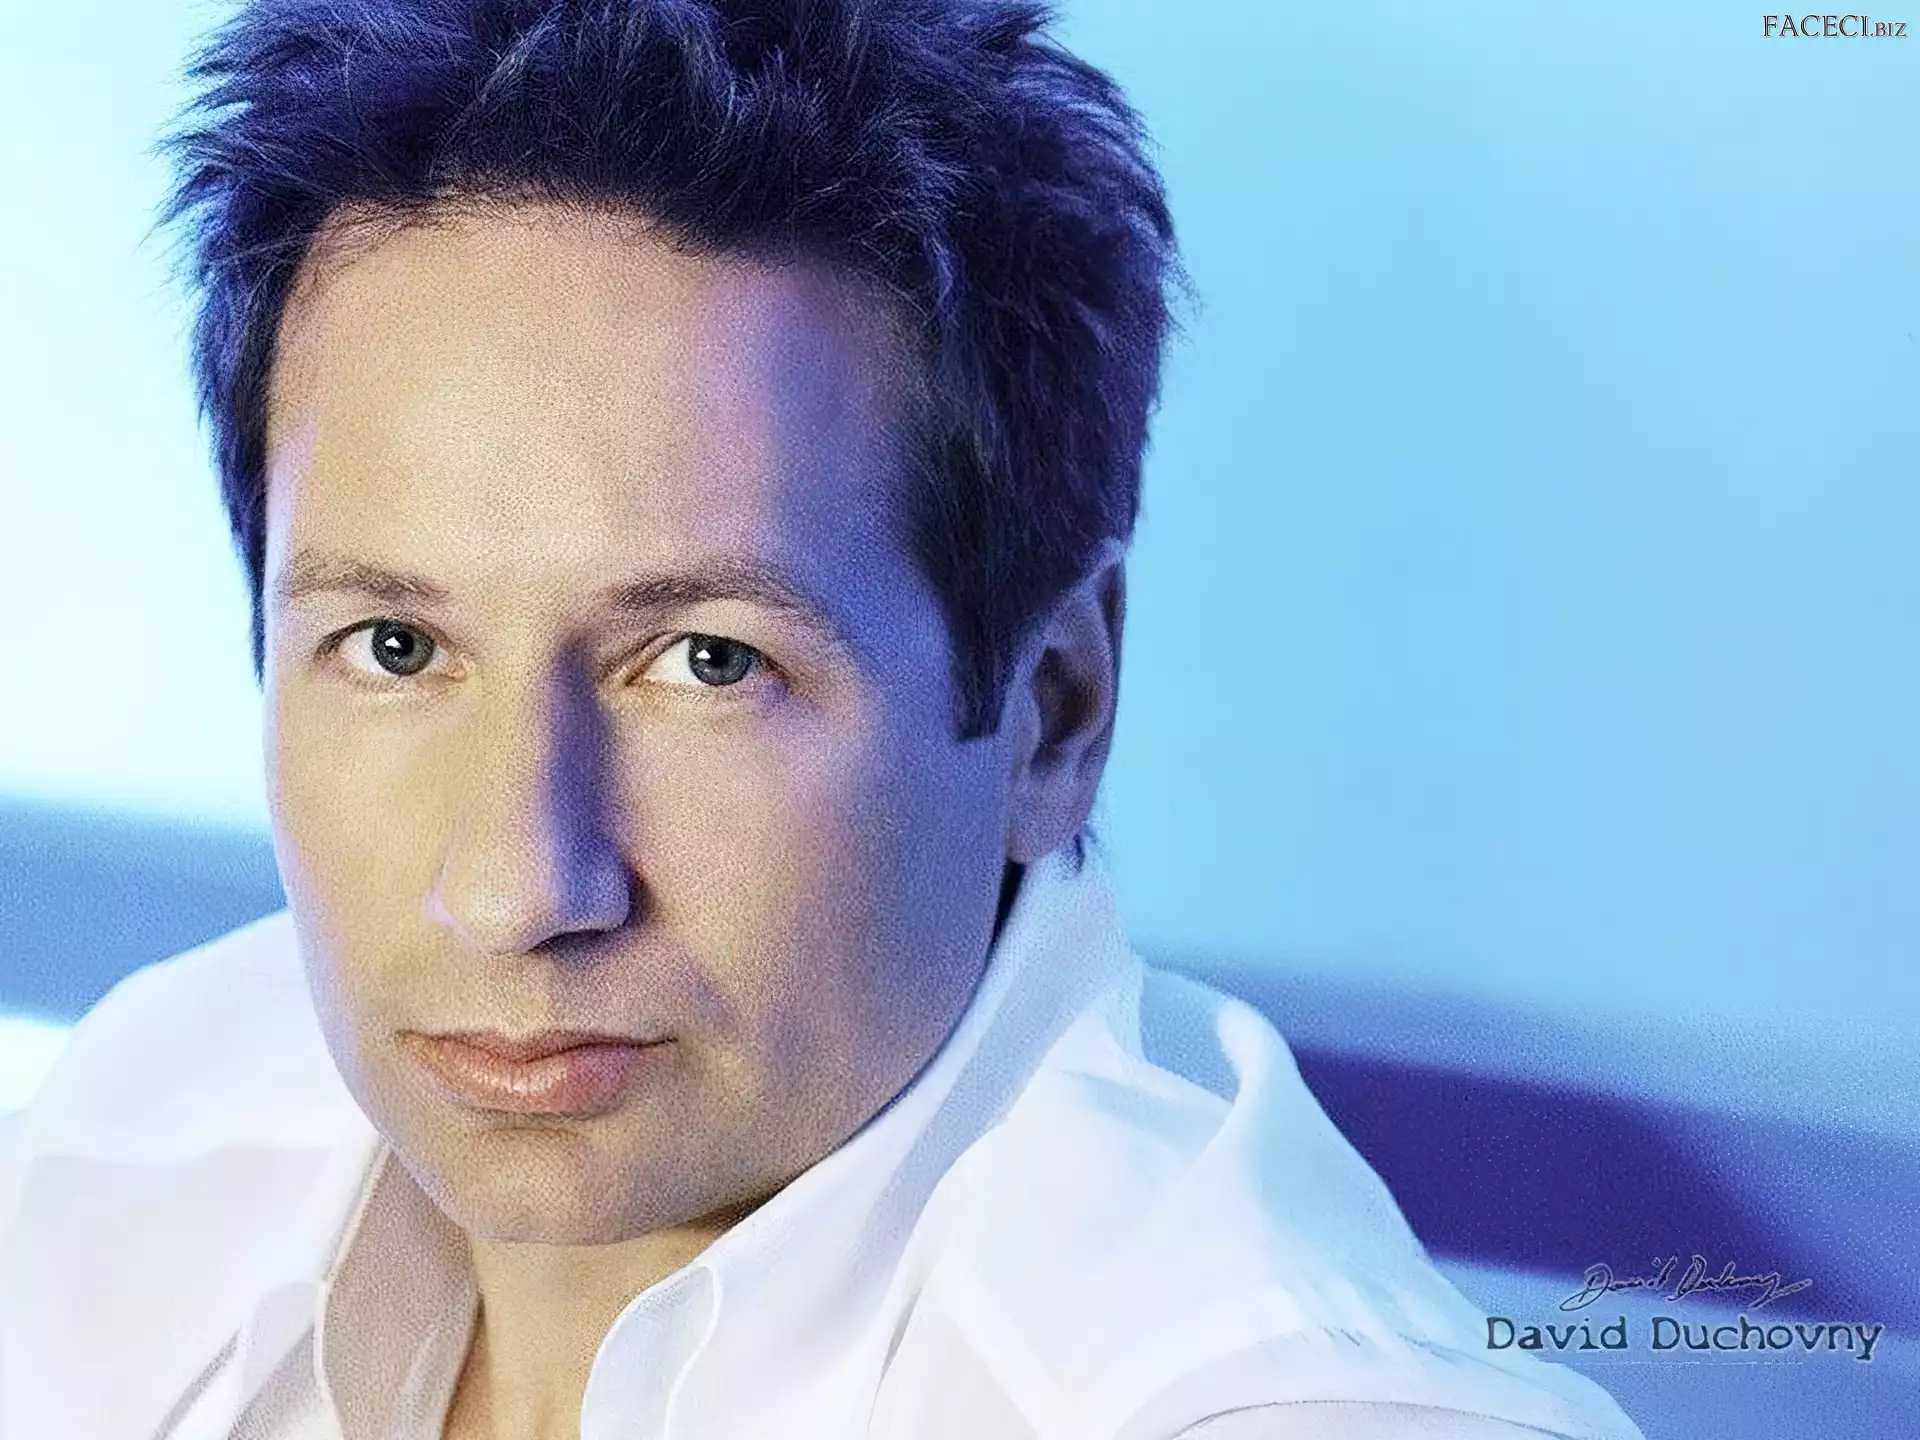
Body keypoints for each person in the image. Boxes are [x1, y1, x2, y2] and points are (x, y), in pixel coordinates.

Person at [0, 2, 1648, 1437]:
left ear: (1055, 711)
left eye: (710, 663)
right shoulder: (126, 1151)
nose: (516, 889)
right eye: (394, 646)